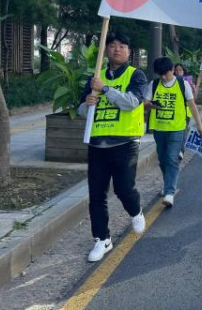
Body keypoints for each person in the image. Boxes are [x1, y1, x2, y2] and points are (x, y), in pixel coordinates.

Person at [78, 32, 147, 263]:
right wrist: (87, 104)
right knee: (96, 195)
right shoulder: (93, 78)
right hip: (97, 144)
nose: (117, 49)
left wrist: (106, 89)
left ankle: (136, 211)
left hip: (125, 142)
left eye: (122, 46)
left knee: (123, 189)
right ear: (106, 50)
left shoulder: (136, 75)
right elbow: (80, 111)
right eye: (112, 45)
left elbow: (131, 103)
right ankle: (102, 239)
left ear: (129, 52)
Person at [146, 57, 202, 207]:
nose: (165, 77)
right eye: (161, 75)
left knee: (172, 158)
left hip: (177, 128)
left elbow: (192, 105)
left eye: (166, 74)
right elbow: (145, 104)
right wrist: (151, 105)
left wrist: (199, 125)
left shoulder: (182, 84)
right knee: (162, 158)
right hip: (159, 127)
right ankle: (168, 184)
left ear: (172, 70)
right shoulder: (153, 85)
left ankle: (169, 192)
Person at [174, 63, 197, 161]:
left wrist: (194, 89)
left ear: (184, 72)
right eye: (177, 70)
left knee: (183, 132)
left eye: (180, 70)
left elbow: (193, 100)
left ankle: (181, 151)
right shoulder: (171, 82)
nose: (178, 72)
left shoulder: (187, 83)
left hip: (186, 112)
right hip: (174, 112)